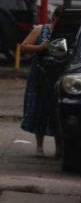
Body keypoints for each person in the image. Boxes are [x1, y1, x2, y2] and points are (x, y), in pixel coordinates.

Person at [19, 8, 61, 157]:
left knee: (58, 112)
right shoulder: (40, 29)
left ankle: (59, 147)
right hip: (40, 75)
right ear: (53, 19)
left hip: (59, 76)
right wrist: (41, 47)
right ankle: (39, 146)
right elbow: (23, 47)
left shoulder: (69, 32)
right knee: (39, 110)